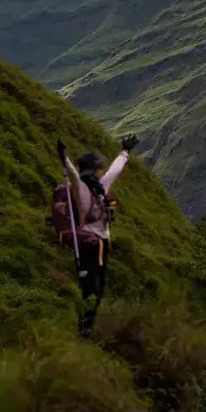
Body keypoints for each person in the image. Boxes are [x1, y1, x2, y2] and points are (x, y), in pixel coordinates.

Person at [53, 134, 139, 335]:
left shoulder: (100, 189)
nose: (102, 171)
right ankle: (83, 330)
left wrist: (125, 152)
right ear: (92, 171)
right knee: (91, 289)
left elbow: (114, 172)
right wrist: (64, 159)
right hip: (88, 246)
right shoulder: (82, 192)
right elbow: (73, 176)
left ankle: (86, 327)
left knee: (98, 290)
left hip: (102, 246)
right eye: (99, 168)